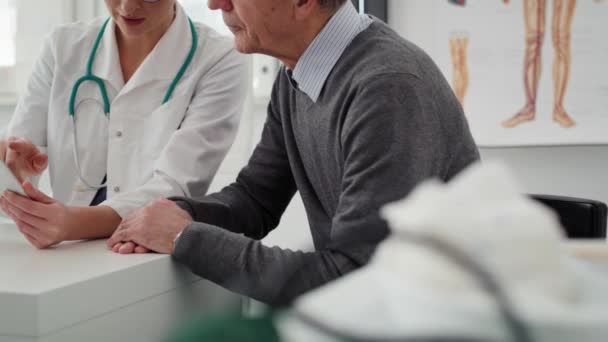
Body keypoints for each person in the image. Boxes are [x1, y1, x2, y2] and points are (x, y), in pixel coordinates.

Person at [107, 0, 480, 305]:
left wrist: (185, 237)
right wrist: (176, 213)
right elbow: (255, 199)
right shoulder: (297, 74)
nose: (215, 3)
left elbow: (351, 280)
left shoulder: (387, 88)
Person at [0, 0, 247, 250]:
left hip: (148, 252)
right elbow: (17, 155)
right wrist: (17, 167)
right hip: (63, 249)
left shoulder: (219, 58)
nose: (128, 7)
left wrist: (70, 223)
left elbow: (177, 185)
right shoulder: (63, 46)